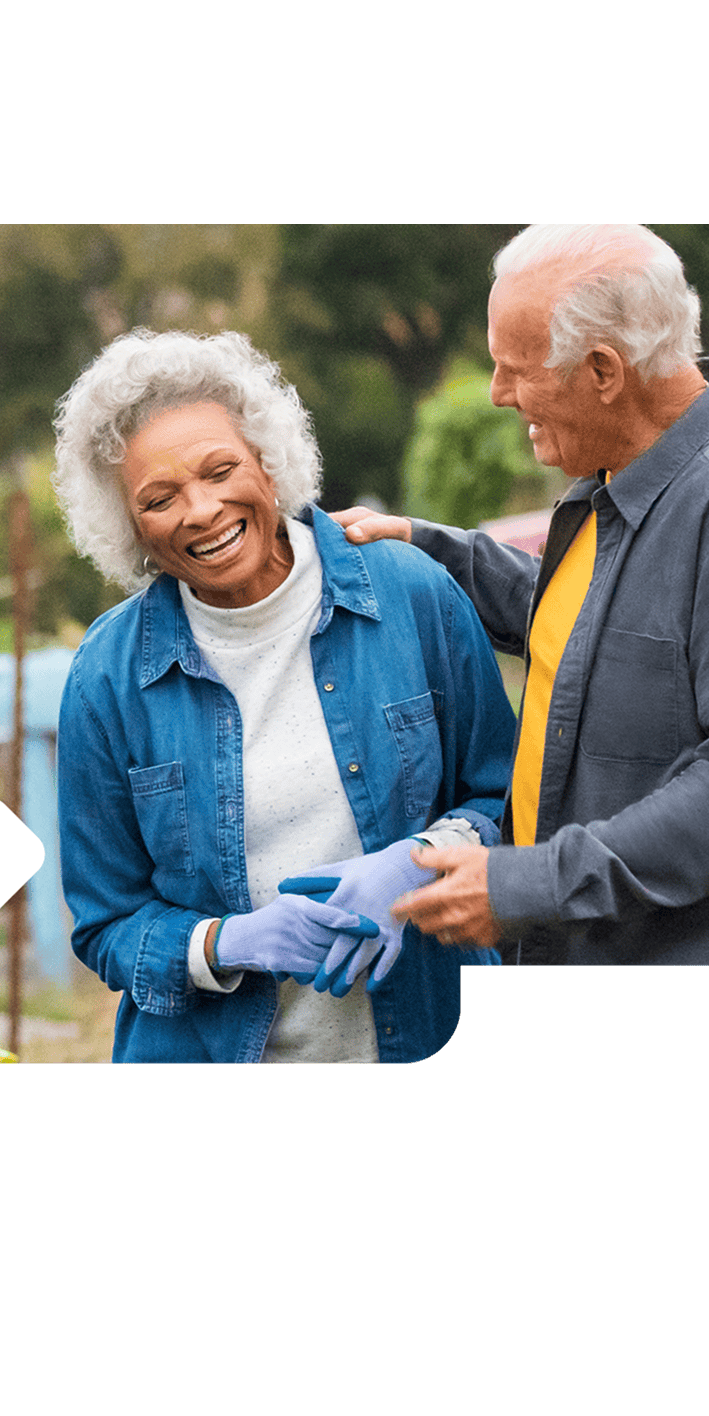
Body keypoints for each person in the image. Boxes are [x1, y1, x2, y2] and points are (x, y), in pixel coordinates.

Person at [337, 224, 709, 967]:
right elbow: (597, 635)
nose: (497, 395)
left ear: (604, 370)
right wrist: (425, 547)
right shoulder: (626, 471)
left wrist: (532, 882)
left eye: (515, 370)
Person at [51, 329, 516, 1062]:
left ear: (269, 462)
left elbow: (509, 800)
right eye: (160, 498)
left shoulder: (412, 595)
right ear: (130, 526)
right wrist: (224, 942)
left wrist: (422, 858)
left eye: (220, 469)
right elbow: (106, 924)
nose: (200, 510)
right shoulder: (106, 679)